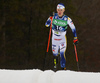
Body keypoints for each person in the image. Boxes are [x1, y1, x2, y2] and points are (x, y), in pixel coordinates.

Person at [45, 3, 78, 70]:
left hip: (62, 39)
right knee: (55, 54)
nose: (59, 12)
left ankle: (63, 68)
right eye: (58, 10)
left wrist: (75, 38)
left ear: (64, 10)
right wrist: (49, 18)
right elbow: (46, 25)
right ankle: (55, 67)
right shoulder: (54, 17)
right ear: (57, 10)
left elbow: (73, 28)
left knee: (62, 54)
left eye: (61, 10)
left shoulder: (67, 19)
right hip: (54, 39)